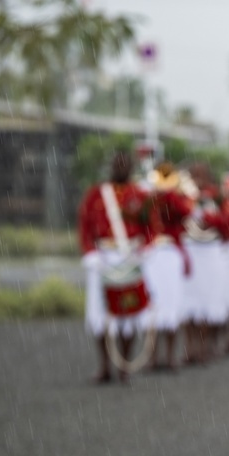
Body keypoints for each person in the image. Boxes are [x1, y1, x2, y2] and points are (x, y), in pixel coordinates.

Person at [78, 151, 155, 384]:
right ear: (111, 167)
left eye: (125, 165)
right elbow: (84, 226)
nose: (120, 168)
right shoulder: (96, 195)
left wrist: (145, 249)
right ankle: (104, 367)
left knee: (128, 313)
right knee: (100, 314)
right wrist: (90, 253)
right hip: (102, 257)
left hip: (130, 257)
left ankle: (124, 366)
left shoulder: (141, 195)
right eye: (117, 164)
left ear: (131, 168)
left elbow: (152, 226)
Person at [180, 162, 229, 364]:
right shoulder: (183, 196)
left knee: (207, 300)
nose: (198, 178)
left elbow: (228, 222)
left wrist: (209, 218)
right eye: (194, 174)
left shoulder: (218, 196)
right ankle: (189, 348)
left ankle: (204, 348)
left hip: (211, 250)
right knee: (188, 301)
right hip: (190, 248)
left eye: (202, 174)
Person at [143, 161, 193, 370]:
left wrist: (173, 193)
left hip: (172, 252)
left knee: (172, 304)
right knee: (152, 304)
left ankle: (171, 356)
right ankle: (152, 357)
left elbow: (185, 212)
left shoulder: (175, 198)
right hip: (152, 253)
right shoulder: (149, 199)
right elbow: (140, 219)